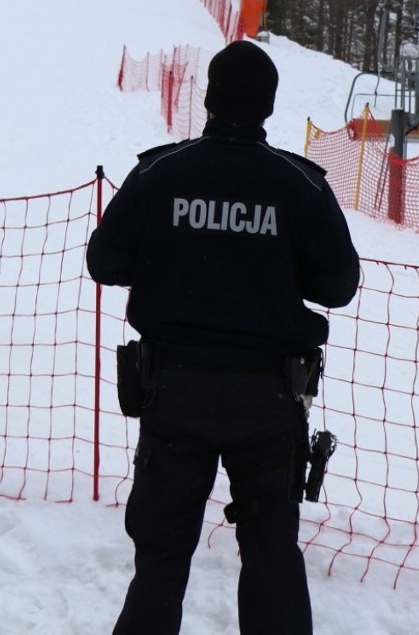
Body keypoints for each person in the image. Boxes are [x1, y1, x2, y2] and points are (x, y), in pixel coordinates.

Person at [86, 40, 360, 635]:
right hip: (267, 403)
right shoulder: (300, 184)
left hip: (175, 395)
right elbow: (339, 285)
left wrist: (169, 259)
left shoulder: (162, 171)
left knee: (160, 557)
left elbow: (105, 260)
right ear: (269, 107)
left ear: (208, 99)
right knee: (271, 559)